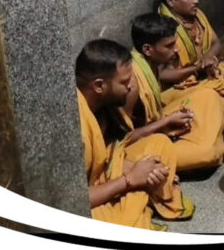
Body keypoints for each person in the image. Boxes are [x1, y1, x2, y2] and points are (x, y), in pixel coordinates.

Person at [75, 39, 193, 230]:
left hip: (110, 174)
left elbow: (121, 143)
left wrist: (134, 168)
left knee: (159, 143)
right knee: (118, 222)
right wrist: (129, 180)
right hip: (91, 195)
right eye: (124, 82)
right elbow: (73, 198)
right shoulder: (75, 125)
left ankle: (141, 197)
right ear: (99, 86)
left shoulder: (105, 104)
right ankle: (141, 200)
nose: (131, 86)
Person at [125, 13, 224, 172]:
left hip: (154, 124)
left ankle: (215, 143)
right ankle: (219, 148)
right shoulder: (131, 85)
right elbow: (124, 140)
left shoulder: (149, 64)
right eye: (169, 46)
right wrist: (165, 123)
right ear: (147, 49)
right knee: (206, 153)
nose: (177, 49)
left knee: (209, 94)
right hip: (132, 152)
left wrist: (168, 122)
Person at [155, 0, 224, 97]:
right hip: (180, 86)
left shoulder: (197, 15)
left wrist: (208, 58)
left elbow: (216, 43)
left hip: (204, 73)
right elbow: (162, 74)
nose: (196, 1)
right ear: (171, 1)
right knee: (209, 97)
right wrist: (196, 69)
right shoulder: (162, 28)